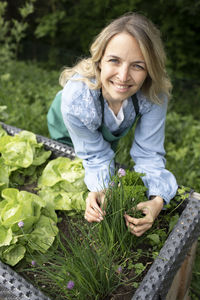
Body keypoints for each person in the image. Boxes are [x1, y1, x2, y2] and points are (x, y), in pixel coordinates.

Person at [47, 12, 178, 237]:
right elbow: (94, 154)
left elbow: (149, 153)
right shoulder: (77, 98)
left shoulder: (154, 95)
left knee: (106, 153)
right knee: (69, 163)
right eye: (114, 61)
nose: (123, 76)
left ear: (150, 70)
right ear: (99, 59)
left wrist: (157, 199)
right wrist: (102, 189)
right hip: (67, 126)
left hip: (107, 130)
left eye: (138, 66)